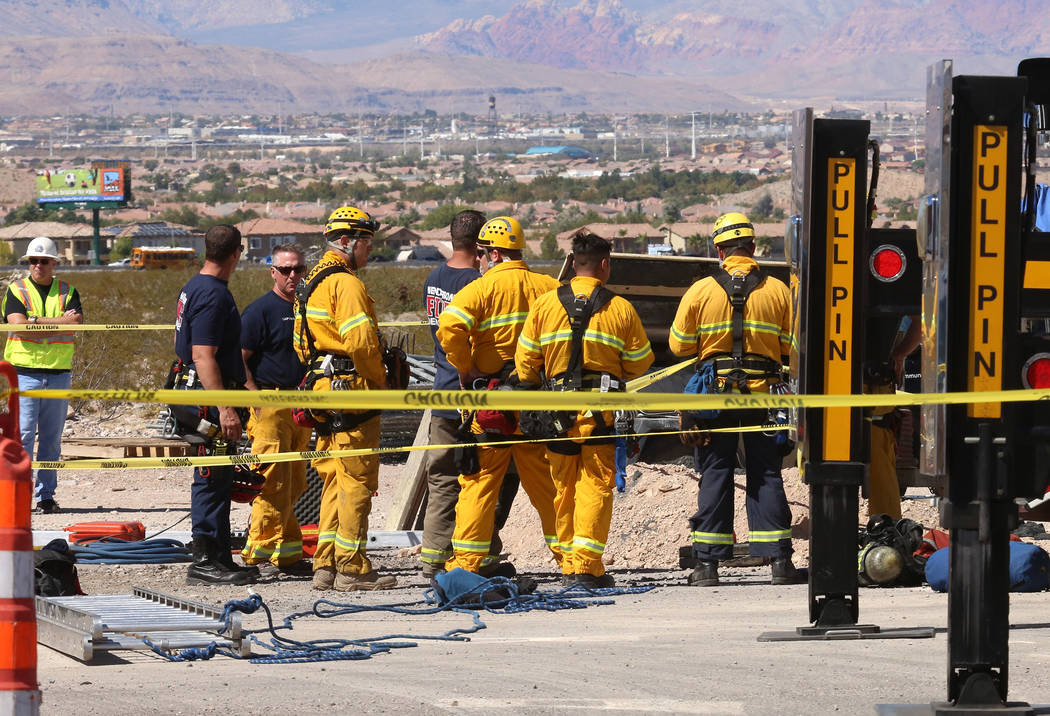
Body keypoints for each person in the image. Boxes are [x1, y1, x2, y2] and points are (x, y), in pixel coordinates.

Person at [669, 212, 801, 587]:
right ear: (753, 247)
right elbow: (792, 347)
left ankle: (707, 567)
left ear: (719, 250)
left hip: (715, 398)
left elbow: (679, 345)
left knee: (715, 473)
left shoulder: (701, 290)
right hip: (764, 398)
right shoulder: (778, 291)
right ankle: (779, 562)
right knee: (766, 473)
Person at [516, 229, 654, 587]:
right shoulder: (620, 308)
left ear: (574, 264)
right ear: (604, 264)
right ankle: (587, 567)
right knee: (595, 485)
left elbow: (525, 363)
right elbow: (641, 362)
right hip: (599, 413)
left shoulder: (545, 305)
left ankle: (568, 565)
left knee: (563, 488)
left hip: (556, 414)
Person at [436, 216, 562, 574]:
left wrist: (464, 368)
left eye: (481, 254)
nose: (478, 260)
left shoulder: (481, 289)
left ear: (493, 254)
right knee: (548, 486)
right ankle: (572, 560)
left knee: (479, 483)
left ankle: (466, 565)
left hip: (491, 404)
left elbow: (449, 327)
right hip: (537, 405)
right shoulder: (550, 287)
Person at [293, 205, 396, 592]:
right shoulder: (346, 284)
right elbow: (362, 343)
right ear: (346, 241)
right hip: (352, 390)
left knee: (334, 479)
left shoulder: (311, 282)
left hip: (322, 389)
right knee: (357, 480)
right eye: (367, 242)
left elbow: (300, 344)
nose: (370, 250)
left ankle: (325, 565)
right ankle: (352, 567)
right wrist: (380, 382)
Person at [420, 210, 517, 578]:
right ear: (482, 246)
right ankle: (481, 555)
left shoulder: (435, 278)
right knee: (485, 480)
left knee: (442, 479)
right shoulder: (478, 284)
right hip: (473, 395)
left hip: (442, 393)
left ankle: (434, 558)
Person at [174, 224, 259, 586]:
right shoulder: (211, 294)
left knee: (222, 477)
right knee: (211, 478)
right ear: (237, 253)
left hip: (203, 396)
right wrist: (224, 408)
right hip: (209, 403)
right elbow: (202, 355)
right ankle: (205, 560)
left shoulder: (197, 287)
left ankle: (221, 556)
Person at [239, 243, 313, 578]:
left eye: (298, 269)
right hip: (271, 405)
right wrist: (256, 398)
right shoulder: (260, 311)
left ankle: (287, 553)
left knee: (295, 482)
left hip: (302, 406)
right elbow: (239, 359)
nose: (292, 275)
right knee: (269, 481)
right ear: (273, 272)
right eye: (285, 270)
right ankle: (259, 554)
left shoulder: (309, 309)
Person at [2, 236, 83, 514]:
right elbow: (19, 326)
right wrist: (57, 322)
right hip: (23, 374)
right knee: (23, 437)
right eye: (33, 260)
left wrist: (35, 322)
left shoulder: (68, 291)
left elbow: (74, 325)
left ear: (54, 263)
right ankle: (19, 494)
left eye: (44, 261)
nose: (38, 265)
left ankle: (45, 496)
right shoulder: (16, 290)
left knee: (51, 439)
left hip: (58, 373)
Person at [866, 314, 922, 520]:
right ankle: (886, 526)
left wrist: (899, 354)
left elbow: (920, 320)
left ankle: (886, 526)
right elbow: (920, 320)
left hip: (872, 388)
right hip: (875, 387)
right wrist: (899, 355)